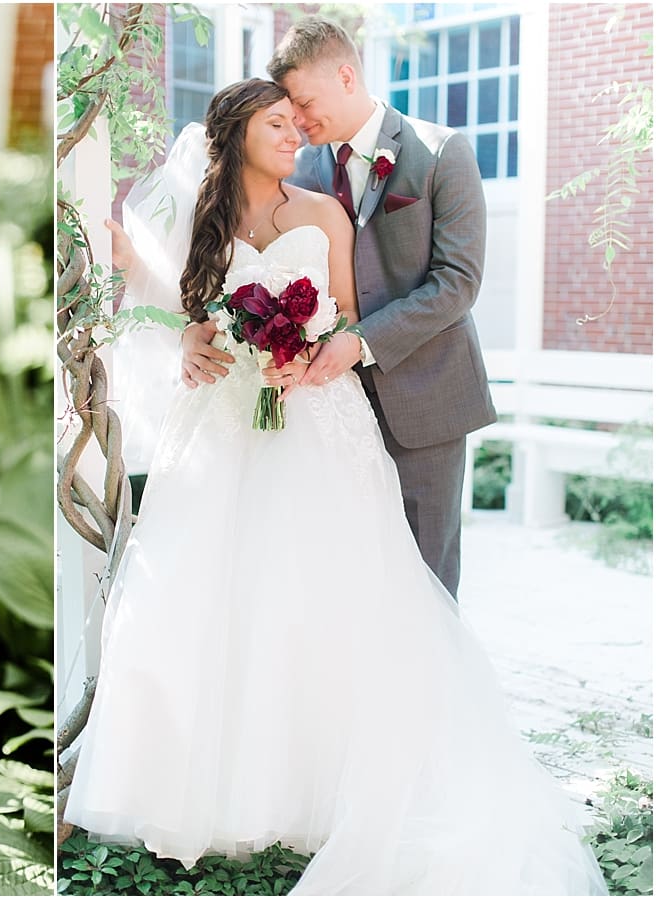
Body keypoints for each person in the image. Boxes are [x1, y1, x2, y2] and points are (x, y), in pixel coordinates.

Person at [62, 77, 606, 894]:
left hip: (318, 416)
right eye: (278, 123)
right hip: (223, 423)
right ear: (239, 132)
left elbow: (347, 316)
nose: (295, 134)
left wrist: (305, 349)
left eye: (296, 121)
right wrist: (190, 340)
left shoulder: (324, 213)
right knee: (216, 592)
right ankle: (205, 786)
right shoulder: (206, 223)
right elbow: (188, 313)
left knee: (329, 592)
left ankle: (333, 783)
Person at [180, 16, 496, 600]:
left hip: (422, 398)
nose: (296, 122)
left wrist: (360, 341)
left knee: (425, 584)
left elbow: (457, 282)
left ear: (346, 75)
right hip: (322, 411)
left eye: (302, 102)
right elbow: (233, 263)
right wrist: (194, 332)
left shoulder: (441, 152)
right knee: (339, 586)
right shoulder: (296, 168)